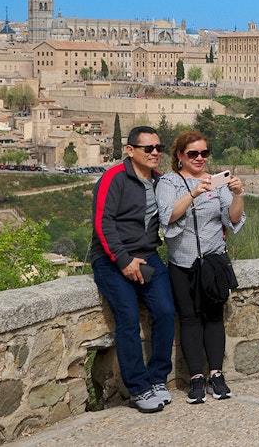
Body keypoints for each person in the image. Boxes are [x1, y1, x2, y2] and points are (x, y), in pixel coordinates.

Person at [88, 126, 174, 413]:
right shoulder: (113, 178)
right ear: (130, 150)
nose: (154, 153)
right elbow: (103, 223)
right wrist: (123, 260)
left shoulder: (160, 182)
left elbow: (173, 214)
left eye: (158, 148)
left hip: (148, 255)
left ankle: (158, 378)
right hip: (111, 260)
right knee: (127, 319)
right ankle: (138, 389)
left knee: (164, 311)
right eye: (147, 148)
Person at [156, 130, 246, 403]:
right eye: (192, 153)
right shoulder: (169, 182)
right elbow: (167, 215)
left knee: (214, 318)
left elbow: (233, 218)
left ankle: (216, 375)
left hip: (212, 261)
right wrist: (194, 193)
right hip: (182, 263)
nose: (199, 158)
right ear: (180, 156)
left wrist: (238, 194)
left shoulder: (218, 182)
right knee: (190, 319)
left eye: (204, 153)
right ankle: (196, 377)